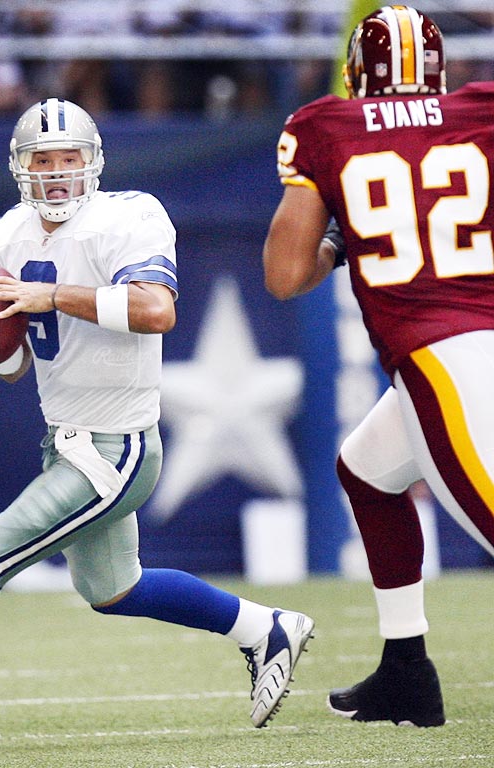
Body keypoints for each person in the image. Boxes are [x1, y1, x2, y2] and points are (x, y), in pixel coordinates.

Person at [0, 97, 315, 744]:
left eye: (67, 158)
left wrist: (48, 295)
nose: (55, 173)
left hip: (118, 448)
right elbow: (16, 368)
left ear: (93, 161)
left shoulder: (130, 217)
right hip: (65, 441)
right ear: (20, 167)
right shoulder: (7, 235)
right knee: (115, 590)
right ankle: (265, 628)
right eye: (41, 160)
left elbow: (157, 311)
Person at [262, 5, 494, 728]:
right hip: (472, 338)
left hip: (442, 355)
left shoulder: (326, 126)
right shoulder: (481, 112)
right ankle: (406, 671)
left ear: (356, 75)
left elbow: (285, 275)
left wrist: (340, 236)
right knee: (367, 472)